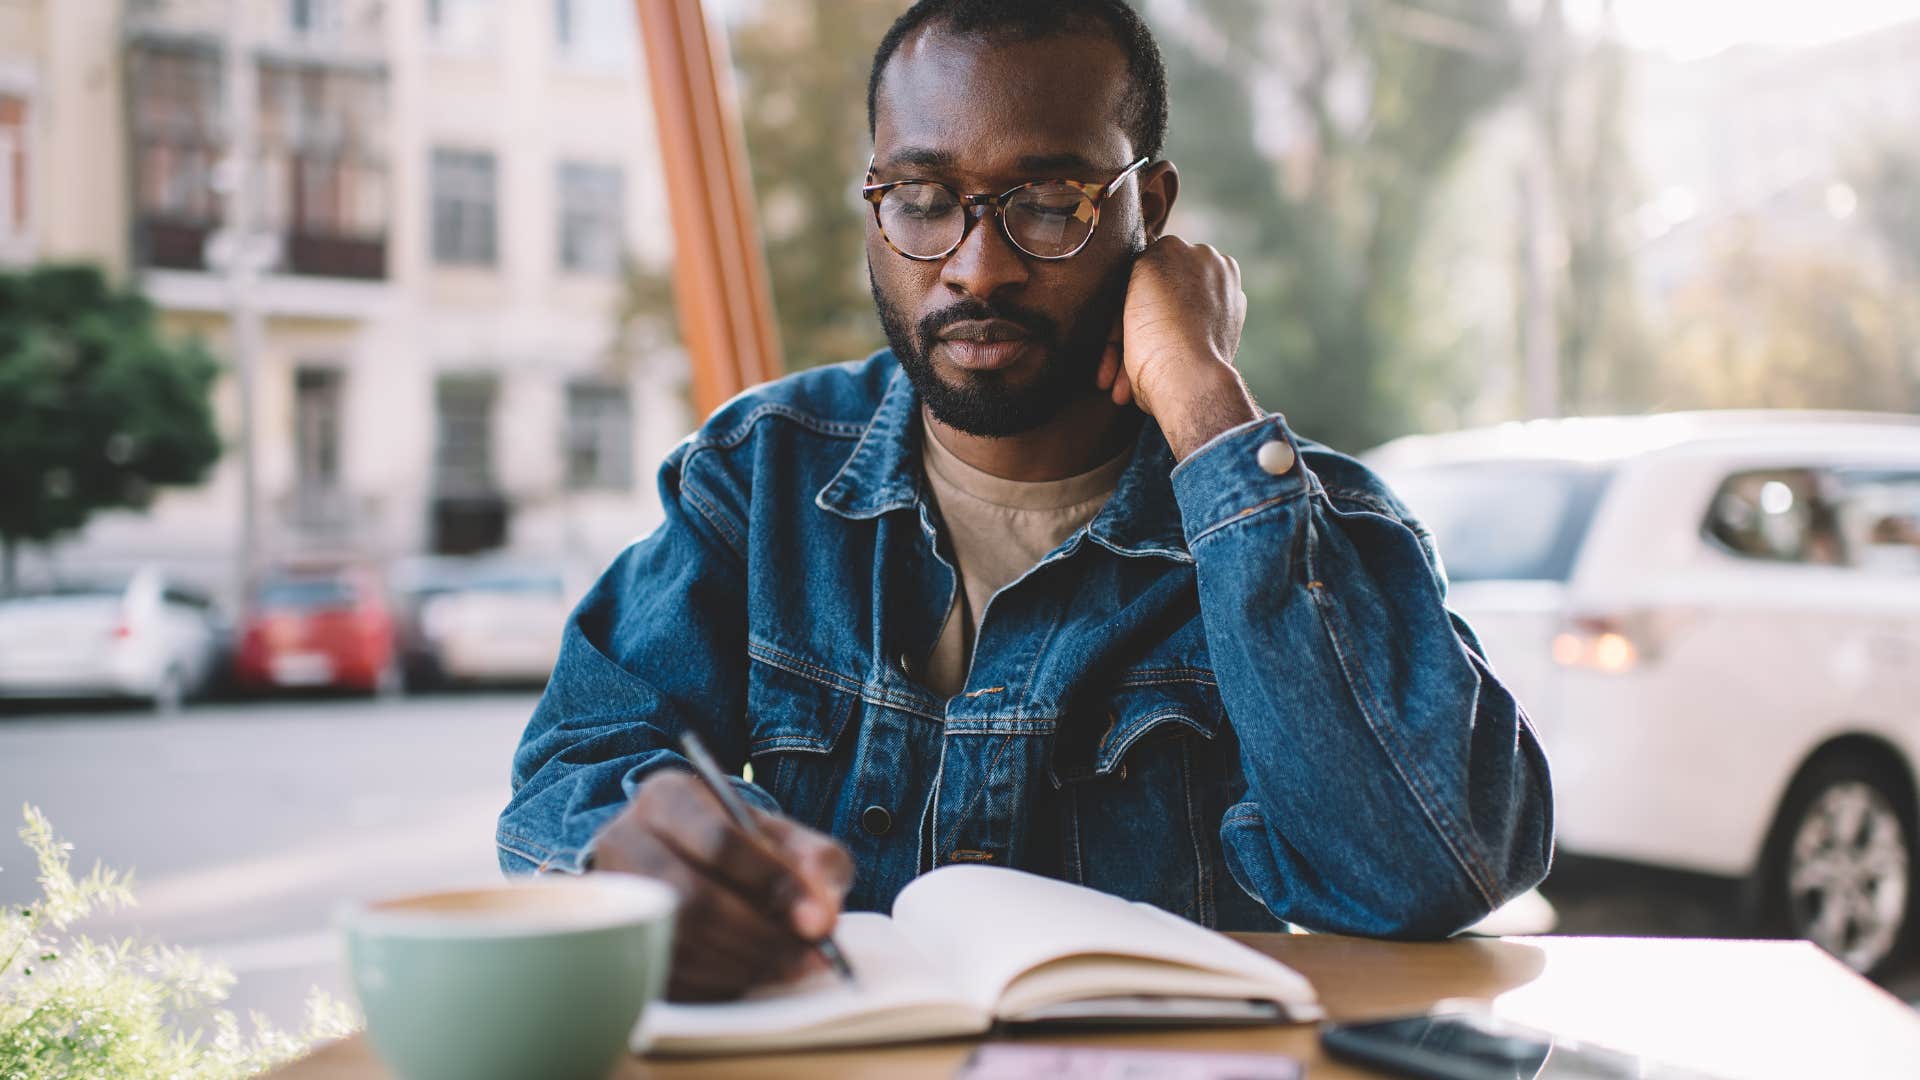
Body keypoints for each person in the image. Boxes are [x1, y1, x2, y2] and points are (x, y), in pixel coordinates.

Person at [499, 0, 1552, 1002]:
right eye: (921, 199)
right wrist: (626, 843)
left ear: (1155, 209)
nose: (977, 266)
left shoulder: (1301, 522)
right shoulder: (760, 473)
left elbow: (1435, 865)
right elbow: (571, 769)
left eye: (1049, 204)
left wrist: (1201, 403)